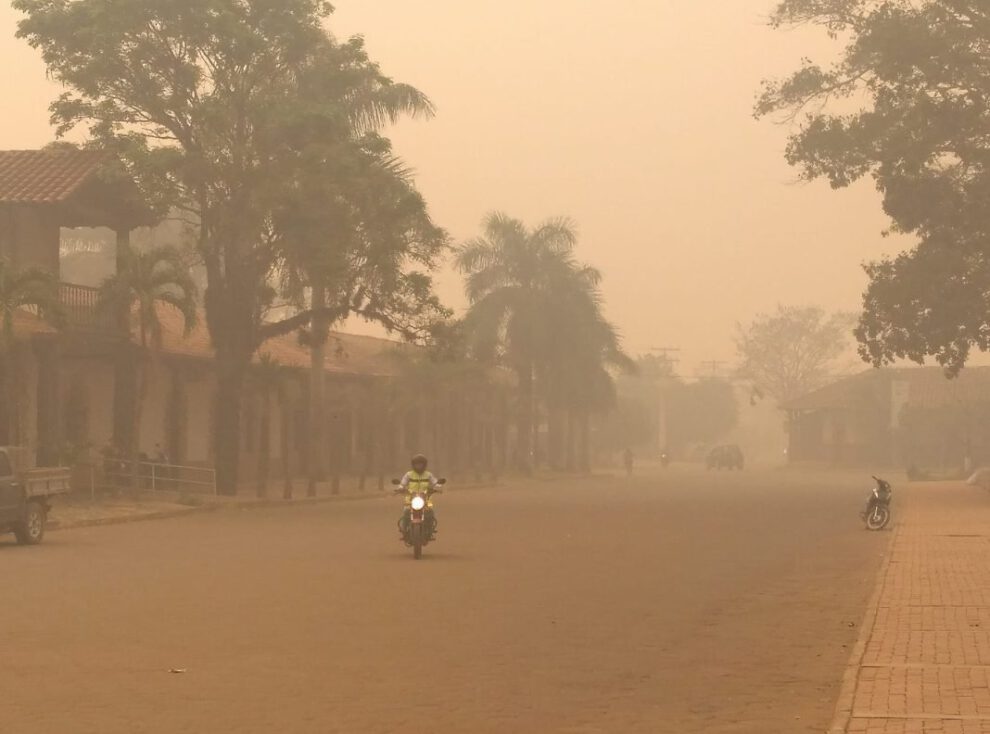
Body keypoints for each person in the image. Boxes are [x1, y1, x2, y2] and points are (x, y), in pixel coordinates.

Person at [398, 454, 441, 539]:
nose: (419, 466)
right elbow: (402, 483)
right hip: (410, 499)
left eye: (420, 464)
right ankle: (404, 531)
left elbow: (435, 482)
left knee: (430, 512)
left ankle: (430, 530)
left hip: (426, 500)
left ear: (424, 465)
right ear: (413, 465)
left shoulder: (428, 475)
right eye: (417, 464)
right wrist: (400, 488)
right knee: (406, 513)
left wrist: (438, 487)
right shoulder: (408, 474)